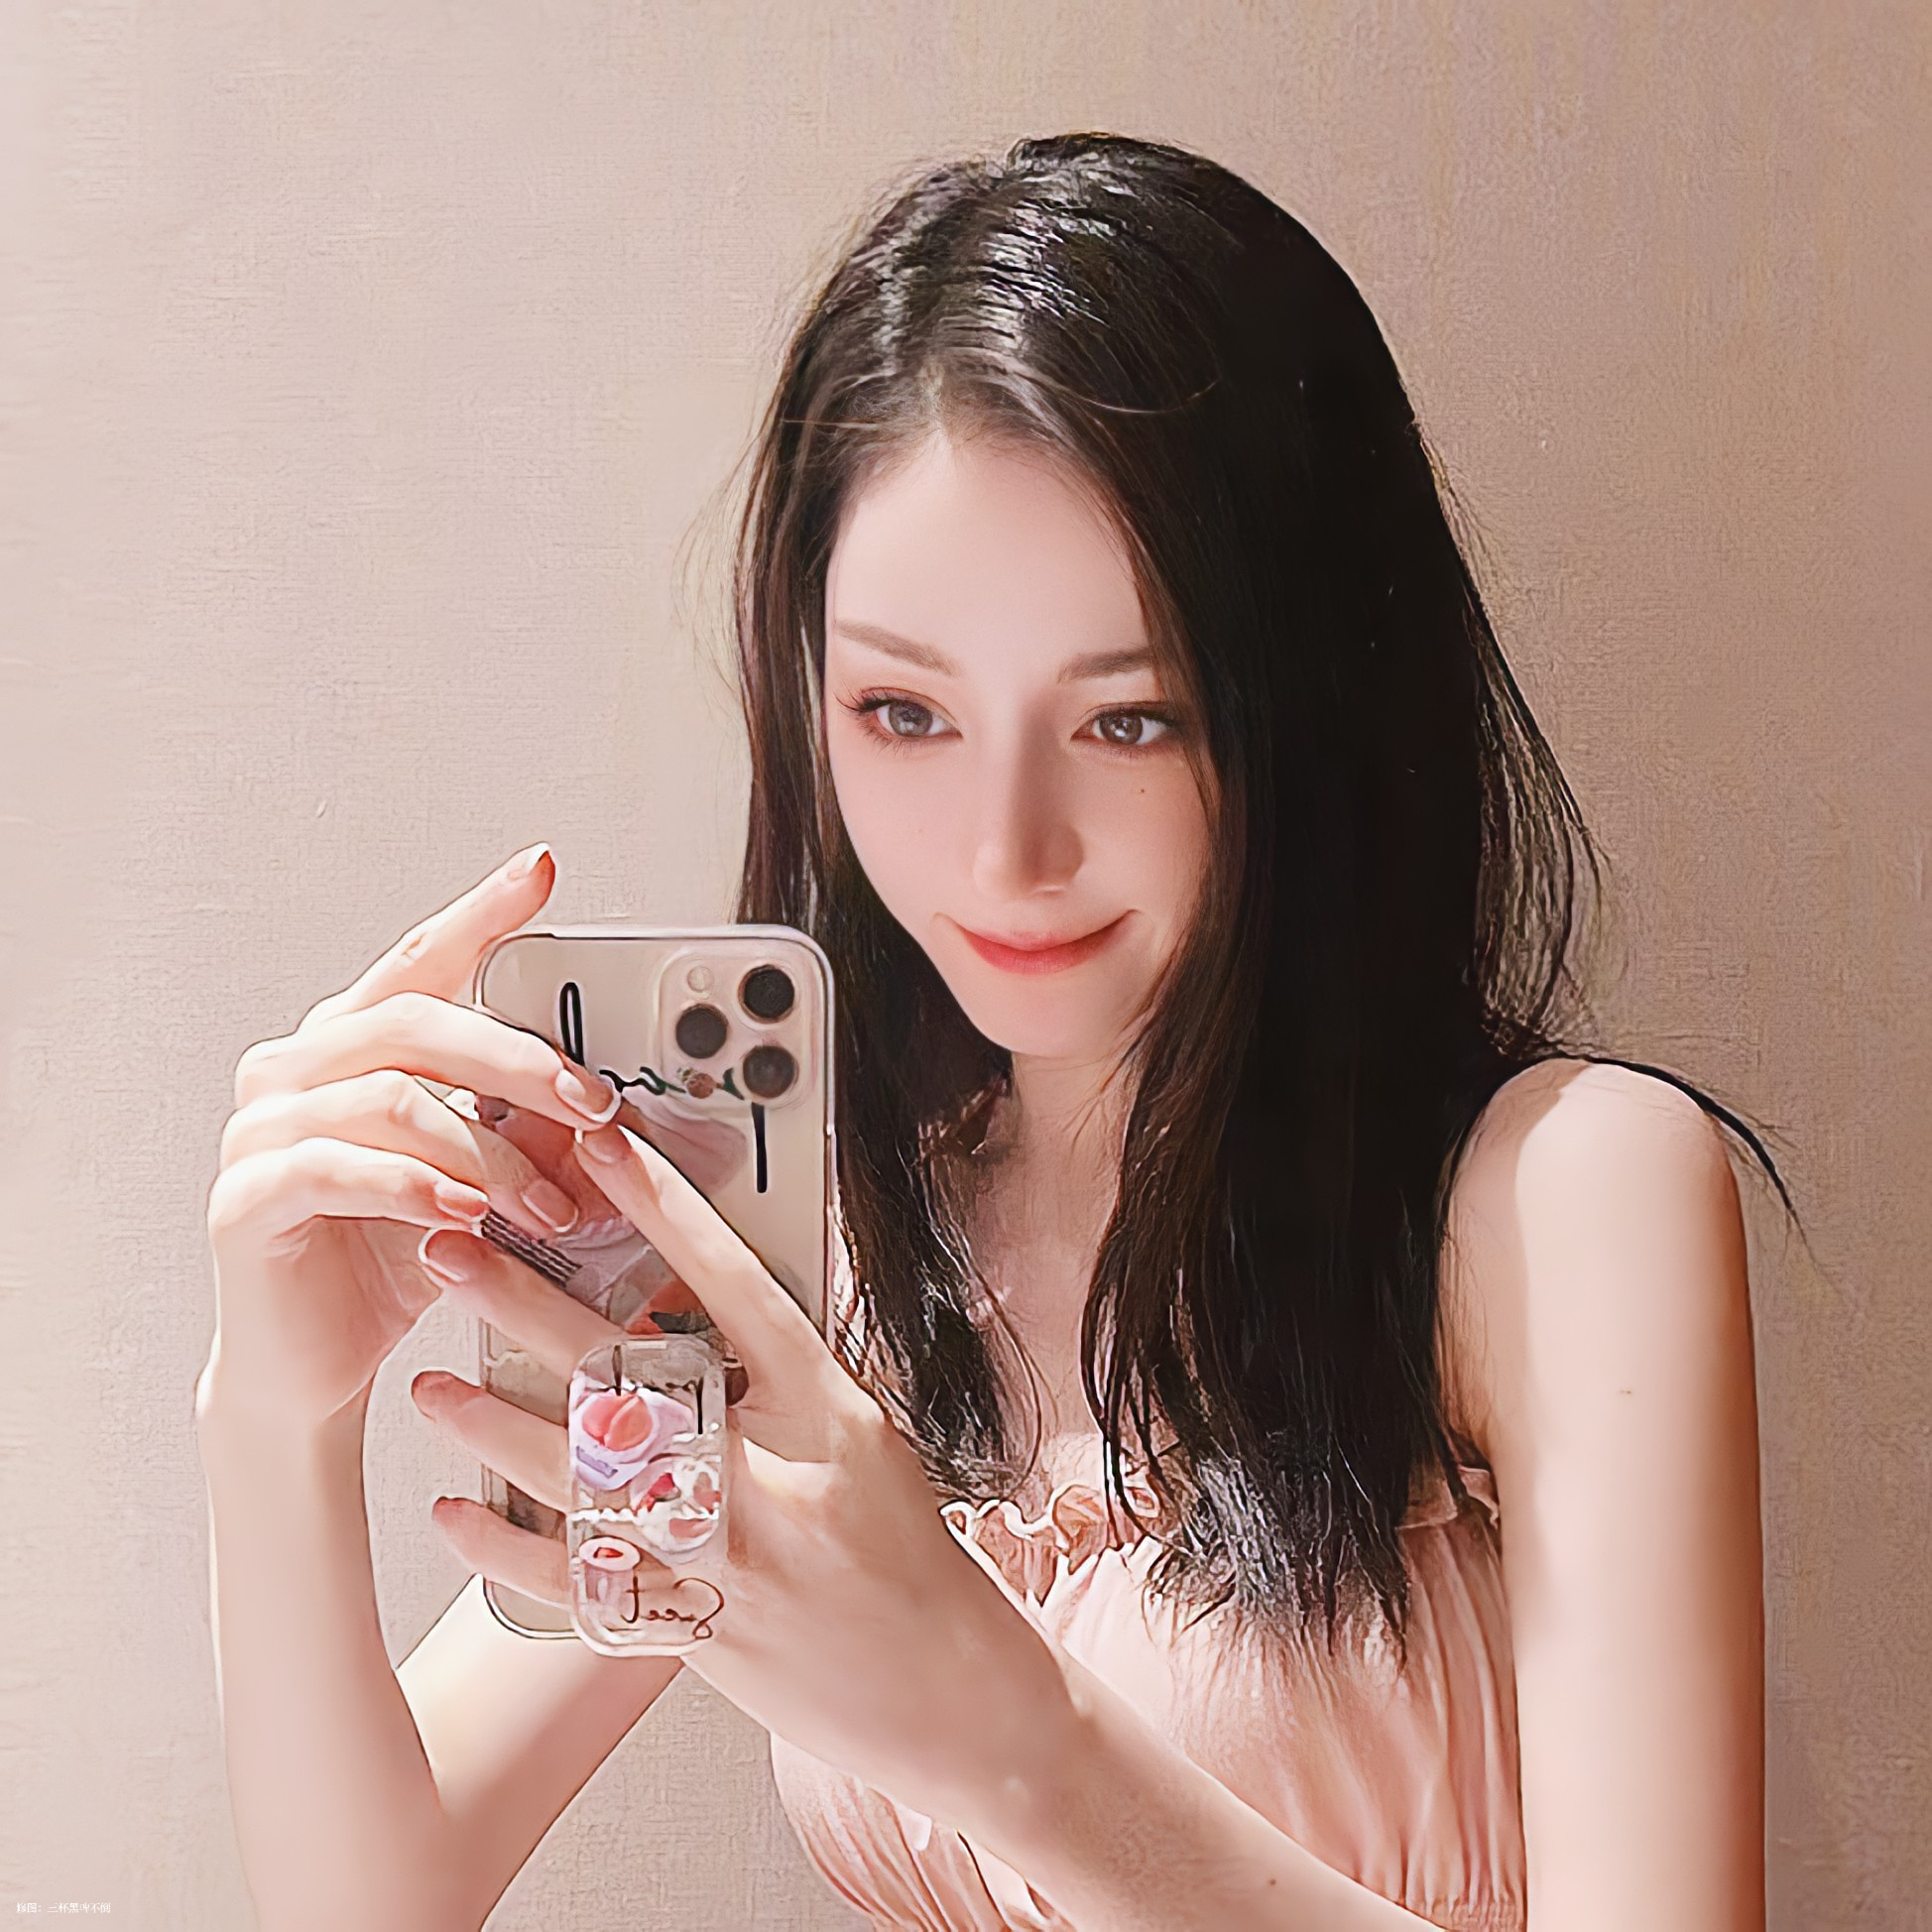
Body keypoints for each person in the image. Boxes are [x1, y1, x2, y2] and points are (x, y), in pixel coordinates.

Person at [195, 133, 1783, 1931]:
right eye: (903, 712)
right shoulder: (833, 1259)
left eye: (1129, 720)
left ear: (1313, 703)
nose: (1005, 852)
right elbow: (376, 1899)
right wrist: (273, 1413)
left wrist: (1003, 1737)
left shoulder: (1562, 1198)